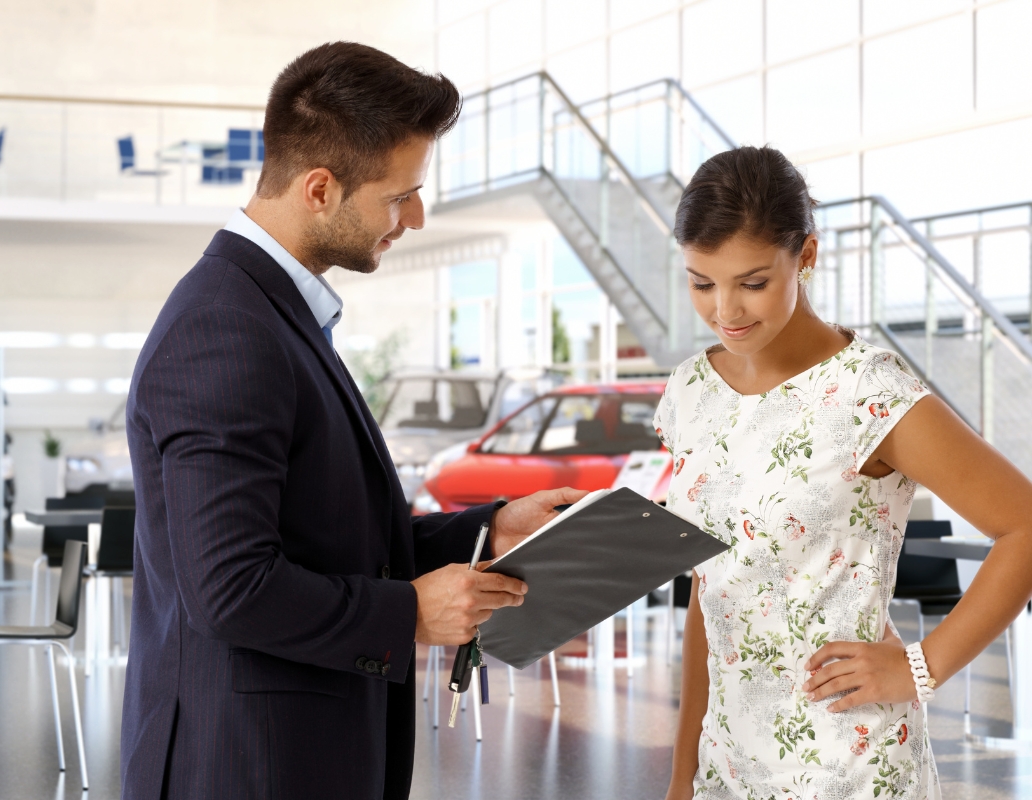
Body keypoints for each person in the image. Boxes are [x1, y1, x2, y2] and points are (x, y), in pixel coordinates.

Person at [119, 41, 585, 800]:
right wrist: (409, 613)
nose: (418, 216)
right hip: (247, 766)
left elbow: (330, 540)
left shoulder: (272, 316)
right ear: (320, 189)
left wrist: (487, 529)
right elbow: (230, 588)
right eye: (401, 194)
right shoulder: (226, 330)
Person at [657, 146, 1032, 800]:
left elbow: (1024, 524)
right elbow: (709, 589)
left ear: (805, 256)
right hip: (729, 763)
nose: (726, 311)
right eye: (701, 282)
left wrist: (922, 668)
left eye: (752, 282)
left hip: (849, 764)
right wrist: (683, 773)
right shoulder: (691, 391)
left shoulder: (868, 392)